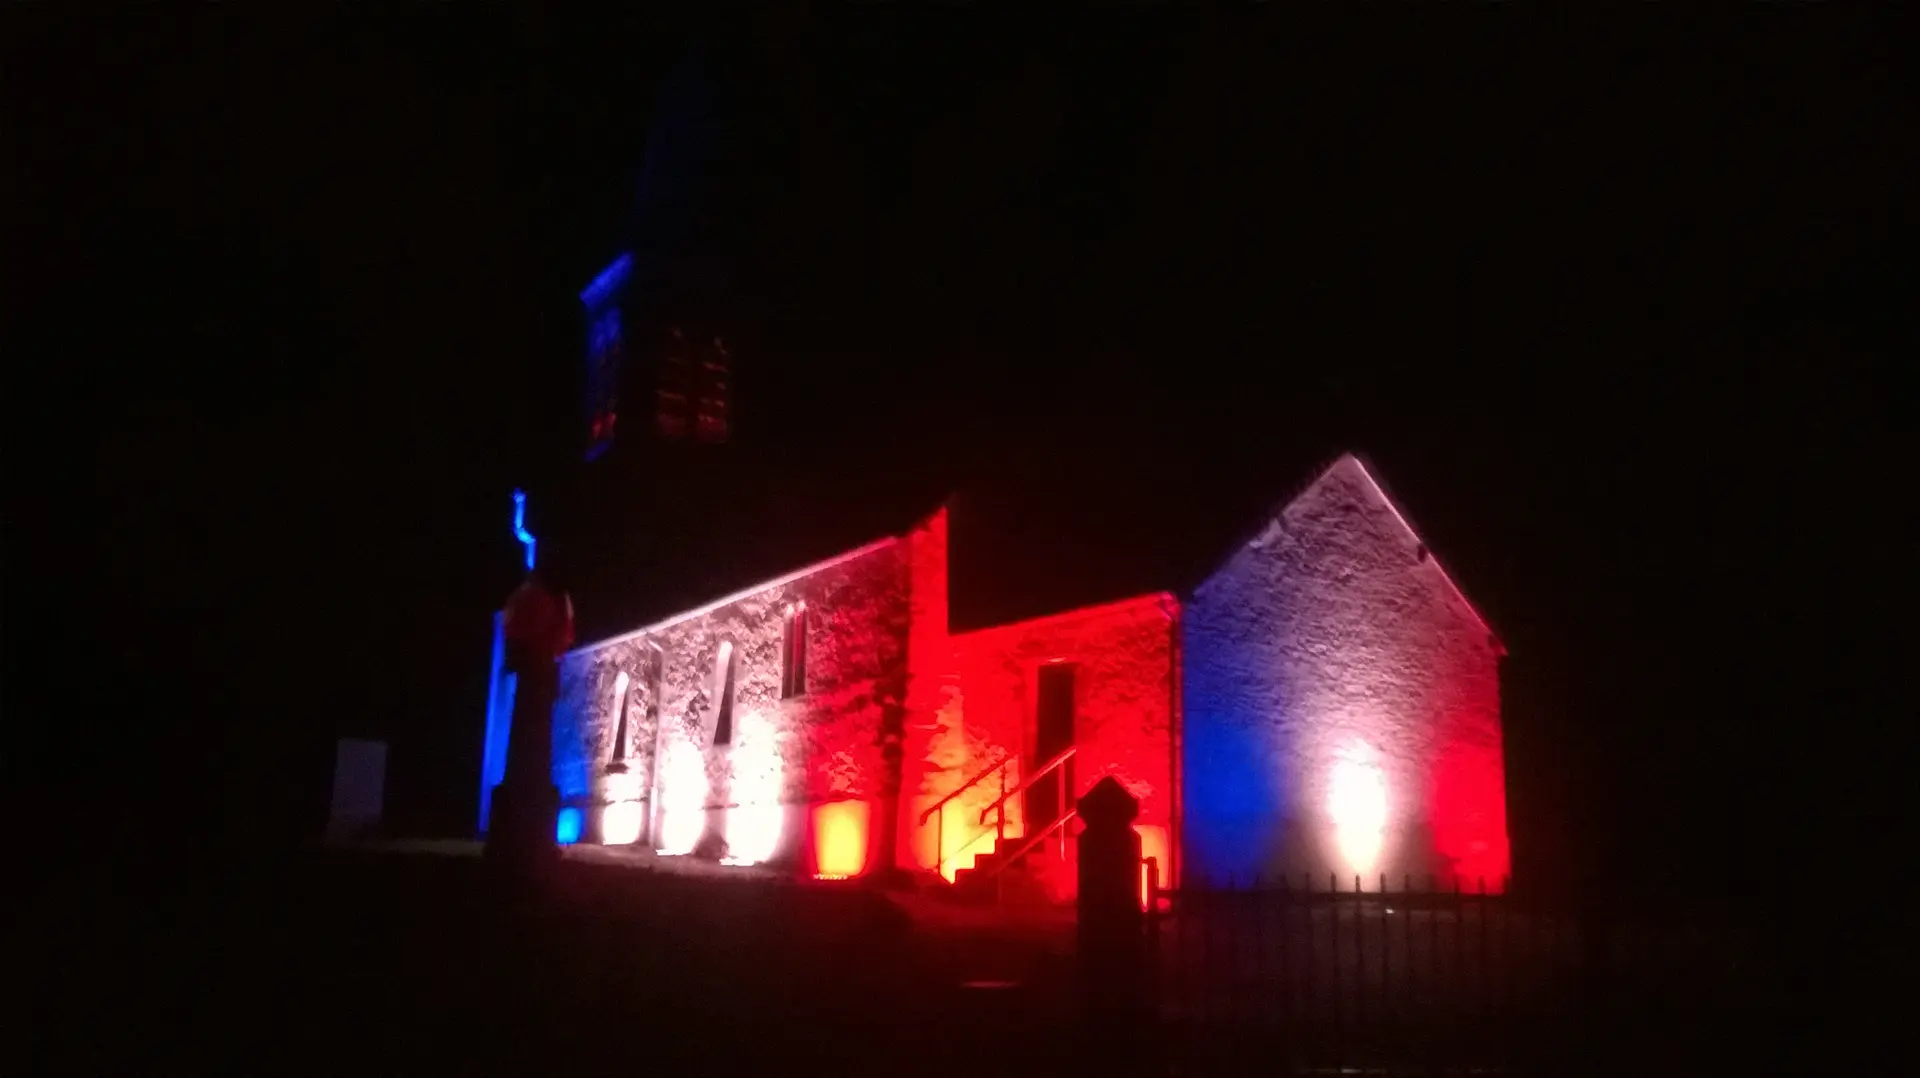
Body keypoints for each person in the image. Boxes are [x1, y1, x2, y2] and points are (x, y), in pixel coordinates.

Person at [486, 566, 575, 866]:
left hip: (535, 673)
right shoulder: (543, 600)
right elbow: (555, 631)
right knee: (531, 742)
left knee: (533, 742)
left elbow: (517, 626)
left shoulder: (533, 598)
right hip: (536, 672)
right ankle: (525, 838)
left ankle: (524, 836)